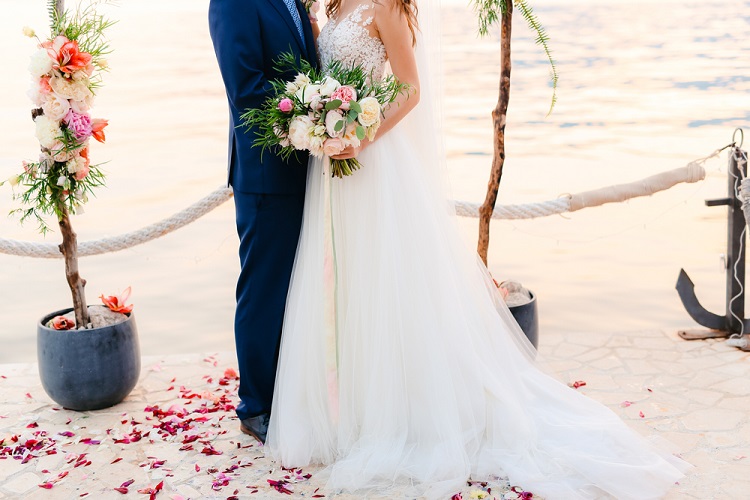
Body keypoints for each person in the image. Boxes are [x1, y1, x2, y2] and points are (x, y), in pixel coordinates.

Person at [266, 0, 690, 498]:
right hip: (333, 167)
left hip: (374, 163)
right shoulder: (334, 5)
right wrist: (319, 121)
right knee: (347, 281)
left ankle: (401, 412)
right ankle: (347, 410)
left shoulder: (389, 7)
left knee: (388, 281)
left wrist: (361, 134)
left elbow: (410, 90)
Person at [207, 0, 319, 443]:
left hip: (307, 161)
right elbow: (247, 88)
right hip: (267, 171)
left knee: (297, 286)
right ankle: (256, 406)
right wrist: (316, 111)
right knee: (263, 289)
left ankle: (292, 389)